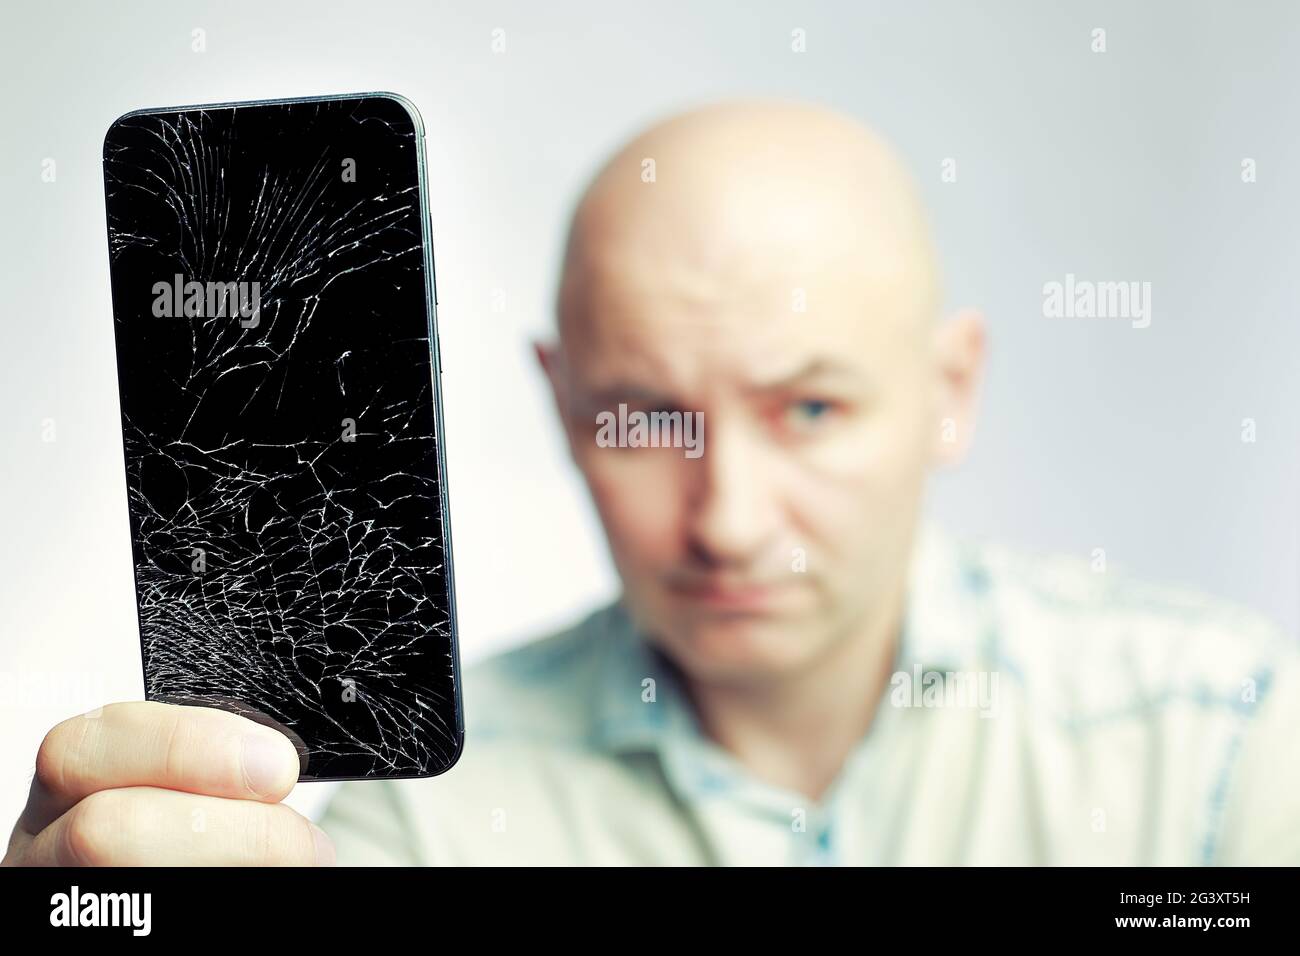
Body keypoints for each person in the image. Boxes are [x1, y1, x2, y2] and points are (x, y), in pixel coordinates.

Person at [7, 100, 1297, 866]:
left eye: (809, 408)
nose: (728, 520)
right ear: (562, 404)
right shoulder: (412, 837)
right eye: (641, 418)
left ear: (950, 390)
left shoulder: (1222, 744)